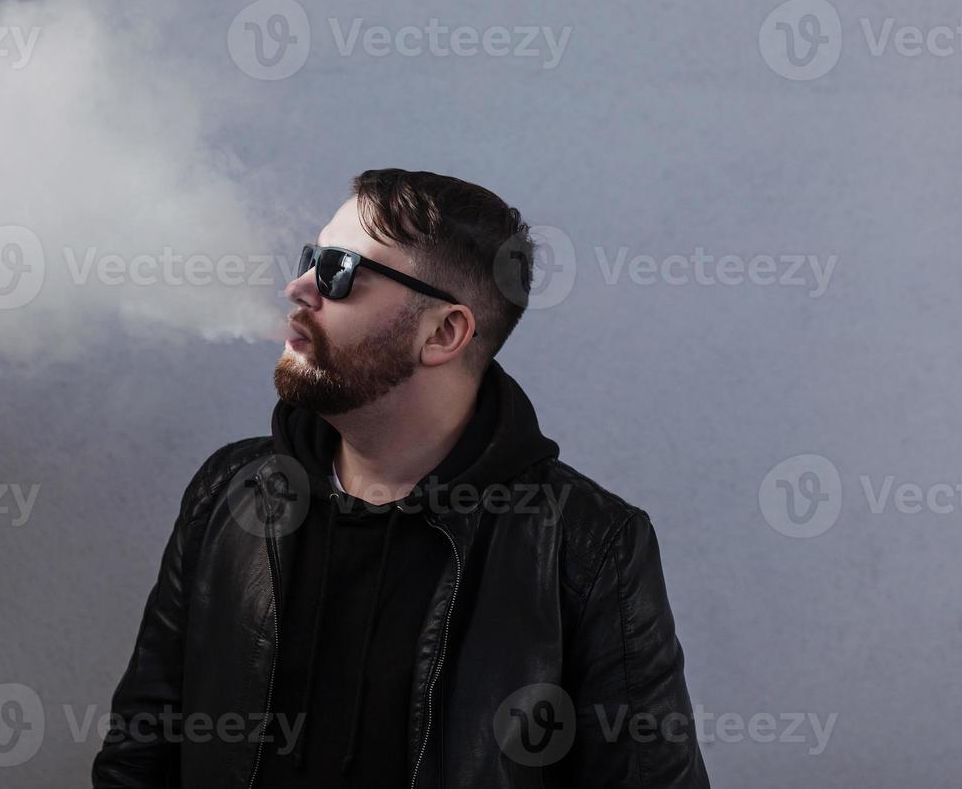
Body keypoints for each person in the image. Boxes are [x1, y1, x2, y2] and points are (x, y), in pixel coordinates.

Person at [92, 168, 709, 788]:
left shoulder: (587, 544)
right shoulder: (232, 492)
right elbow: (139, 757)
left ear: (444, 332)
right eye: (312, 258)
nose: (298, 288)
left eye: (338, 271)